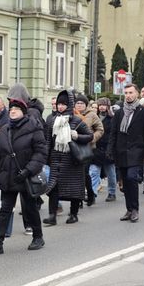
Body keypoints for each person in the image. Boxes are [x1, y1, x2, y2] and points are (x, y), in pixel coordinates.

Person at [0, 98, 47, 255]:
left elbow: (41, 153)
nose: (12, 111)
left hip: (25, 176)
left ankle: (38, 237)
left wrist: (28, 170)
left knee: (30, 208)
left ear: (24, 112)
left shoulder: (34, 128)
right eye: (11, 109)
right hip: (9, 177)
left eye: (17, 109)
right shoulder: (4, 130)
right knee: (5, 210)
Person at [43, 90, 93, 225]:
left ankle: (73, 214)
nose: (60, 107)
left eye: (64, 104)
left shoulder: (77, 120)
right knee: (53, 188)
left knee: (74, 189)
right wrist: (45, 157)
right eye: (59, 104)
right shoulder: (51, 120)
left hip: (72, 161)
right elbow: (48, 140)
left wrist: (76, 135)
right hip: (56, 159)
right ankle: (52, 216)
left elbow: (90, 136)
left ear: (69, 105)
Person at [107, 84, 144, 223]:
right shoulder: (119, 112)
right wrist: (110, 150)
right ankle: (128, 209)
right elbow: (113, 133)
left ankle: (135, 209)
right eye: (126, 93)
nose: (128, 95)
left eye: (131, 92)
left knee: (132, 177)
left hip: (136, 151)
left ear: (137, 94)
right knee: (125, 181)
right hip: (121, 151)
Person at [74, 92, 104, 206]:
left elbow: (100, 129)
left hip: (87, 148)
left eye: (82, 103)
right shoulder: (71, 114)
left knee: (84, 173)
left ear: (86, 105)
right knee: (75, 174)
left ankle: (90, 194)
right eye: (78, 103)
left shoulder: (91, 115)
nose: (80, 105)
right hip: (73, 147)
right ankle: (78, 198)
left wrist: (92, 138)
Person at [90, 98, 117, 202]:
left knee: (111, 173)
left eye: (104, 105)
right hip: (96, 149)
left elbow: (114, 134)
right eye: (100, 105)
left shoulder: (112, 118)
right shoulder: (94, 118)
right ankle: (93, 193)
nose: (101, 107)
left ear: (108, 106)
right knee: (94, 172)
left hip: (108, 149)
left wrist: (112, 149)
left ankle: (112, 192)